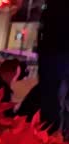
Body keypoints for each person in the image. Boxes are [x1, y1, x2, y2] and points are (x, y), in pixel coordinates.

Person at [38, 0, 69, 137]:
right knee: (53, 99)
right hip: (55, 51)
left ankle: (50, 138)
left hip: (52, 50)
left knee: (52, 99)